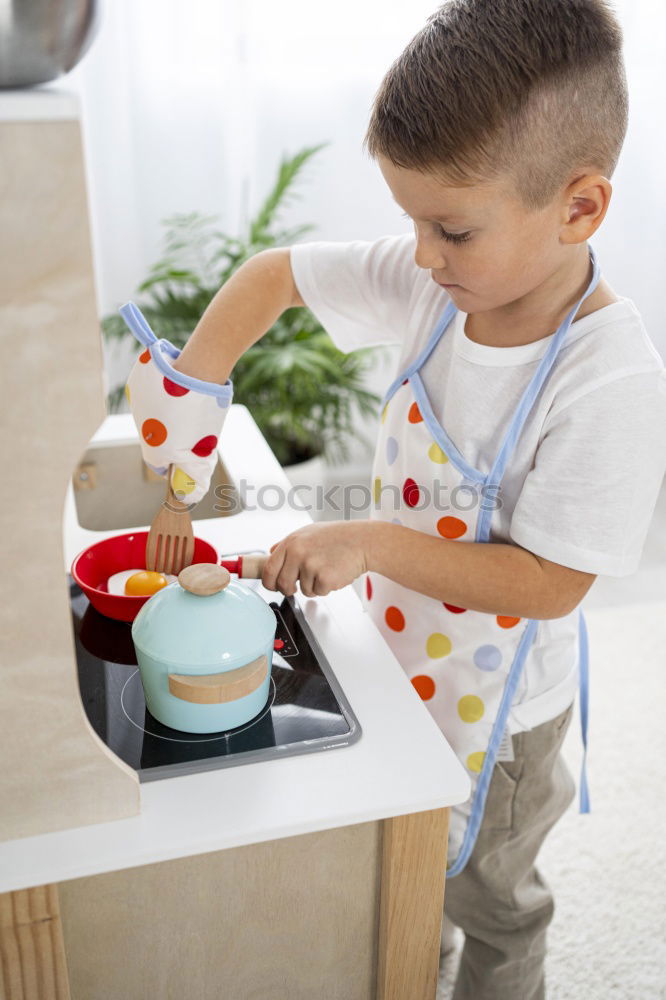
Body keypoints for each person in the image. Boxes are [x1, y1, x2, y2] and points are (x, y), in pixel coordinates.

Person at [120, 2, 666, 996]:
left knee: (491, 897)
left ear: (579, 208)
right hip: (395, 650)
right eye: (413, 220)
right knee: (409, 864)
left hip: (502, 716)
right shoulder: (435, 287)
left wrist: (369, 542)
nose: (419, 253)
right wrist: (184, 421)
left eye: (450, 227)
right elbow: (268, 277)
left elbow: (548, 584)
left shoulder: (611, 380)